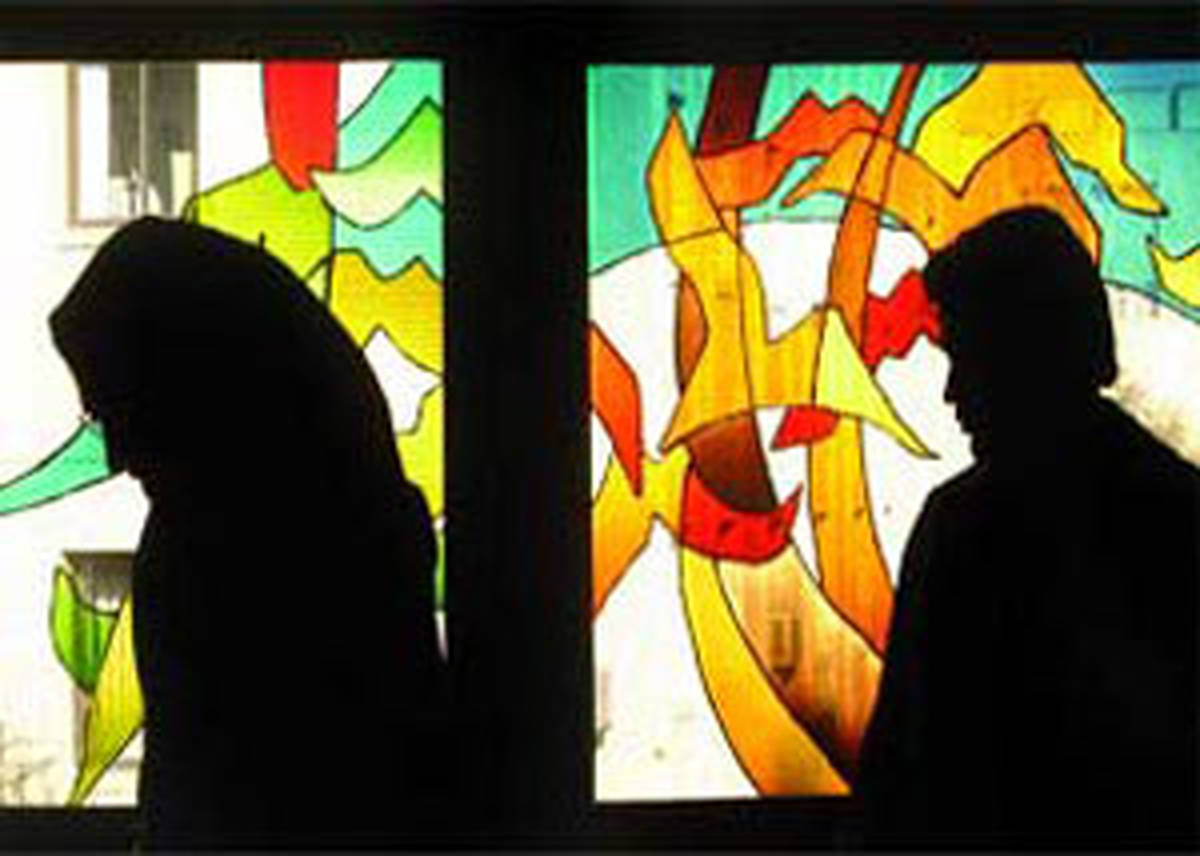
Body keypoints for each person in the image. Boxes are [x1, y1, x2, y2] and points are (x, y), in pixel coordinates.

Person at [50, 217, 448, 849]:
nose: (117, 454)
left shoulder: (204, 562)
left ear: (196, 384)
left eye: (123, 405)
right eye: (101, 416)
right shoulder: (343, 540)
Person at [855, 207, 1198, 848]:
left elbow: (898, 789)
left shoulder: (960, 533)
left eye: (966, 357)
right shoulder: (1180, 514)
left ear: (1022, 356)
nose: (952, 393)